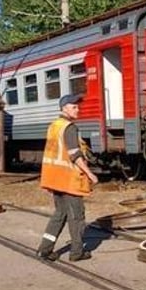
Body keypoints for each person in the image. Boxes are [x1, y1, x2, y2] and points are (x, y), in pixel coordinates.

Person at [36, 94, 99, 262]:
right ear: (64, 108)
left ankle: (44, 249)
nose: (78, 110)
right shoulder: (69, 127)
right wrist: (90, 174)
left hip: (55, 178)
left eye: (78, 107)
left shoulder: (54, 126)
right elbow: (74, 154)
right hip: (69, 179)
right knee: (77, 216)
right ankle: (77, 252)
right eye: (74, 107)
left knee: (60, 214)